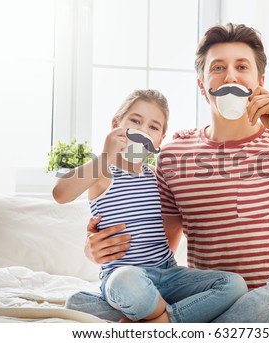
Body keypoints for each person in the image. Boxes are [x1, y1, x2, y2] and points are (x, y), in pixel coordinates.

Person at [65, 23, 269, 323]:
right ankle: (185, 324)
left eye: (242, 67)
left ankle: (172, 328)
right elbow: (155, 253)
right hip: (205, 301)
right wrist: (95, 250)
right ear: (202, 85)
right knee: (79, 304)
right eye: (218, 68)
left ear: (259, 82)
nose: (231, 77)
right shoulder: (175, 154)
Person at [52, 89, 248, 323]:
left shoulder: (156, 176)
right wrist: (105, 155)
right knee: (120, 286)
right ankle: (169, 314)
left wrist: (185, 138)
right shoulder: (103, 172)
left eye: (153, 127)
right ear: (116, 124)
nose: (143, 131)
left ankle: (157, 320)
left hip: (168, 273)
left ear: (159, 140)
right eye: (135, 121)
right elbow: (60, 194)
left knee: (234, 285)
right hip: (124, 277)